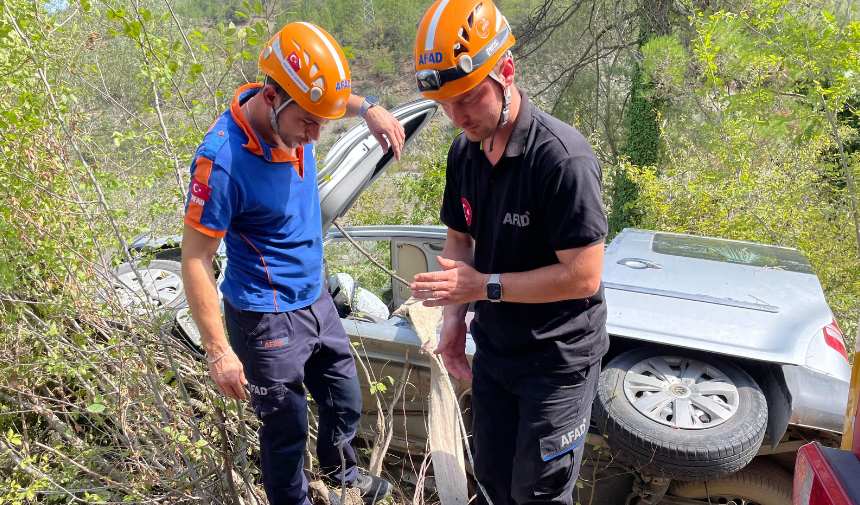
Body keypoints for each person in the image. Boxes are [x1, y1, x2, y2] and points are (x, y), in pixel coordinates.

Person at [181, 22, 400, 505]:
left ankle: (342, 476)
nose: (316, 134)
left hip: (314, 296)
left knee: (345, 398)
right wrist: (219, 352)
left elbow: (327, 102)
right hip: (264, 314)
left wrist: (368, 108)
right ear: (272, 95)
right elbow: (195, 259)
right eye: (308, 122)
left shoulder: (300, 113)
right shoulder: (221, 162)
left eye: (323, 121)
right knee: (285, 430)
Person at [410, 2, 609, 504]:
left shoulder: (562, 159)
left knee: (540, 495)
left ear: (506, 71)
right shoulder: (465, 151)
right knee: (496, 482)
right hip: (495, 350)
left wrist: (484, 286)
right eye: (446, 104)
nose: (458, 117)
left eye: (469, 98)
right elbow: (460, 241)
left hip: (558, 361)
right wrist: (454, 322)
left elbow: (583, 276)